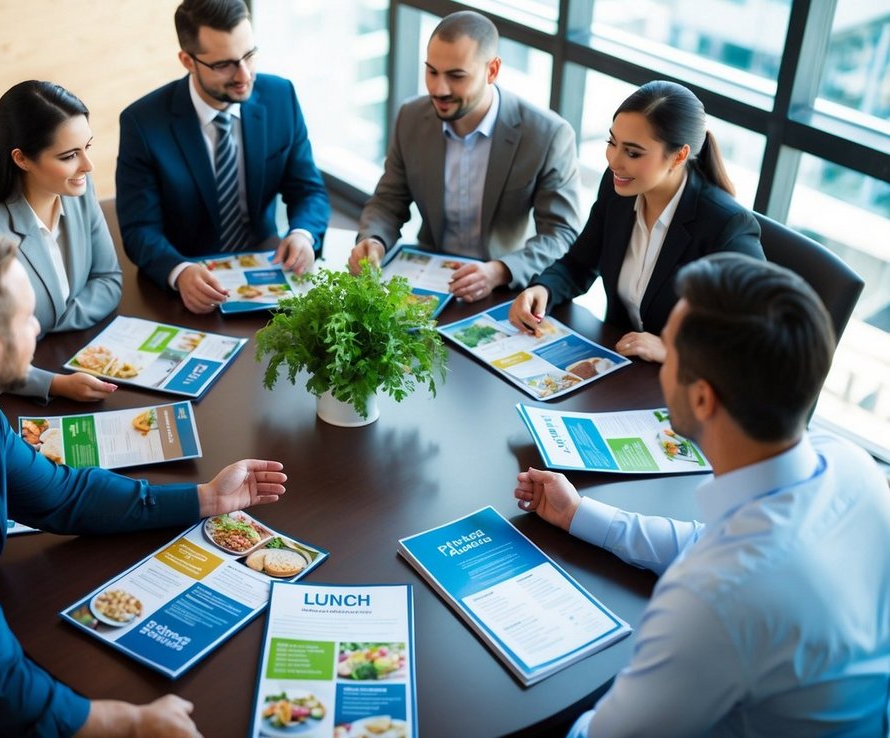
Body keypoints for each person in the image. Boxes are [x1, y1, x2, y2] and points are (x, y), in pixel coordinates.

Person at [0, 231, 288, 737]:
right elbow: (2, 690)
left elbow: (62, 494)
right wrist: (130, 723)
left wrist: (203, 498)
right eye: (28, 316)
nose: (39, 326)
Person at [515, 253, 890, 737]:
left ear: (701, 399)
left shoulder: (713, 602)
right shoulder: (851, 466)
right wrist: (579, 515)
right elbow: (714, 541)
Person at [509, 80, 764, 363]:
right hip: (622, 366)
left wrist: (674, 351)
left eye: (632, 152)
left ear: (678, 156)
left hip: (682, 383)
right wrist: (542, 289)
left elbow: (759, 336)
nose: (613, 161)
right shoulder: (619, 189)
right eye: (612, 142)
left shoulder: (726, 225)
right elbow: (579, 264)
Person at [350, 10, 581, 301]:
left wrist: (499, 270)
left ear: (492, 71)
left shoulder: (548, 135)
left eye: (456, 76)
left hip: (503, 288)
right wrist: (374, 240)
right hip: (426, 279)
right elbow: (388, 200)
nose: (438, 88)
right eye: (432, 71)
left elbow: (561, 233)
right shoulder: (411, 116)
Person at [116, 0, 330, 313]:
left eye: (249, 55)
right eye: (224, 65)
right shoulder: (143, 123)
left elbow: (308, 190)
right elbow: (139, 229)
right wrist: (179, 271)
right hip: (188, 286)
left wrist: (302, 234)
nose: (244, 75)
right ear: (188, 61)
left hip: (268, 268)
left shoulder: (280, 96)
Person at [0, 80, 122, 403]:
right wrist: (54, 384)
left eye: (88, 147)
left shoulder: (77, 192)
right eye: (70, 155)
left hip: (59, 353)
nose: (87, 165)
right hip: (3, 395)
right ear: (22, 159)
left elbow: (108, 280)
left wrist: (49, 320)